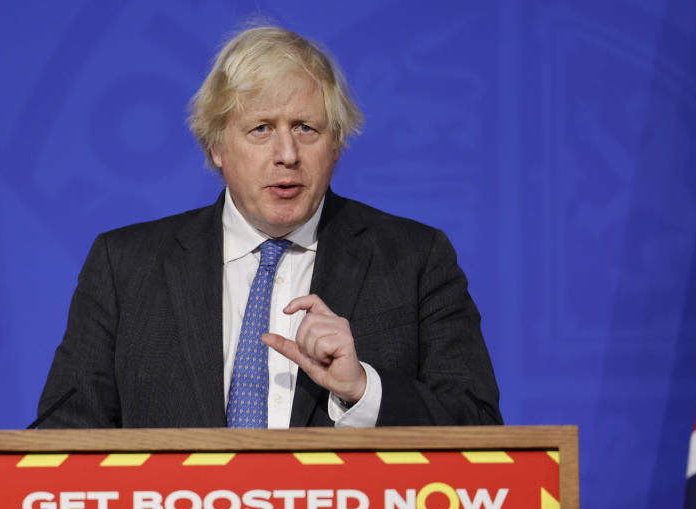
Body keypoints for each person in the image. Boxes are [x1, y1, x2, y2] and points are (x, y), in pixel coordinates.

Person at [37, 26, 501, 429]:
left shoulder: (415, 259)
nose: (287, 154)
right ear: (217, 146)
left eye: (305, 128)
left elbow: (480, 426)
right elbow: (64, 434)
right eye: (261, 128)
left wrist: (363, 390)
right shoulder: (126, 266)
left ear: (335, 144)